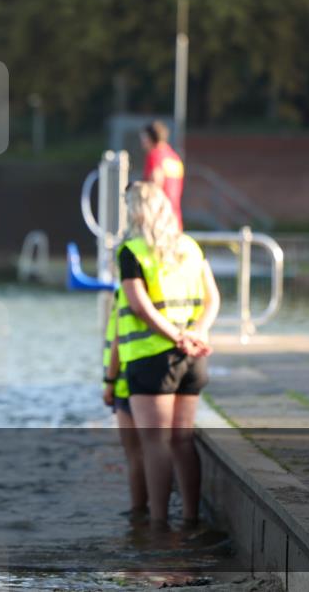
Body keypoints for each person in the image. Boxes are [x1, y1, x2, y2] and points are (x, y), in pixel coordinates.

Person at [116, 182, 219, 528]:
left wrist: (177, 337)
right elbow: (212, 299)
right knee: (182, 440)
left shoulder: (131, 251)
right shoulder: (190, 247)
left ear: (134, 212)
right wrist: (197, 334)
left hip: (151, 359)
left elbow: (140, 307)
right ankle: (190, 518)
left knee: (155, 443)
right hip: (193, 359)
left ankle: (157, 525)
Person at [101, 292, 147, 520]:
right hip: (161, 371)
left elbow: (119, 339)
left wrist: (109, 381)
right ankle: (161, 516)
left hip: (126, 381)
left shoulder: (127, 290)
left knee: (135, 454)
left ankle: (140, 514)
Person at [140, 121, 184, 229]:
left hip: (159, 221)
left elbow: (155, 184)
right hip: (175, 219)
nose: (142, 142)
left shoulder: (154, 155)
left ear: (151, 138)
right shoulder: (175, 157)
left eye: (144, 138)